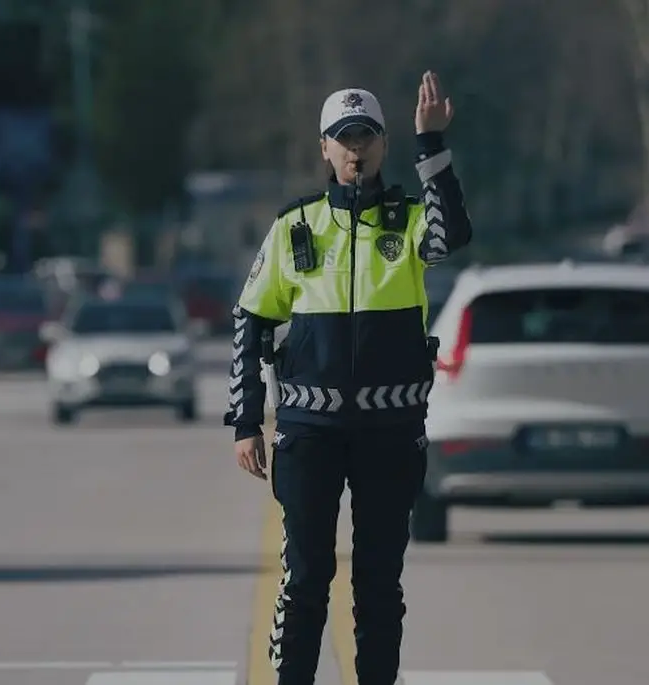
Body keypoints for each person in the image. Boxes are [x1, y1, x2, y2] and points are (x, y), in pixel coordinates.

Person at [223, 72, 472, 685]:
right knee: (306, 577)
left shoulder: (409, 220)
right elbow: (250, 325)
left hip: (389, 429)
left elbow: (452, 236)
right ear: (325, 148)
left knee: (379, 582)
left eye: (365, 137)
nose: (355, 149)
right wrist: (246, 422)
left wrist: (431, 144)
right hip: (309, 431)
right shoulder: (295, 228)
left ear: (383, 144)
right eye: (343, 138)